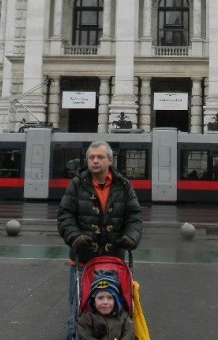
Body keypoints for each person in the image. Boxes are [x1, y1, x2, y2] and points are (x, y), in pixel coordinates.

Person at [57, 141, 142, 340]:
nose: (95, 161)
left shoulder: (123, 185)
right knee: (78, 312)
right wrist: (75, 237)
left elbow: (134, 216)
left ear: (110, 161)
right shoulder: (77, 184)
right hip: (83, 261)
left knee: (118, 309)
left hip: (114, 261)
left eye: (100, 157)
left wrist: (131, 237)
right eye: (91, 157)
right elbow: (64, 216)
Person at [76, 275, 135, 340]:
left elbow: (129, 334)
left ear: (116, 301)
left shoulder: (124, 318)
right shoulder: (87, 319)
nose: (105, 302)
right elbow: (85, 336)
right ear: (93, 301)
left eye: (110, 298)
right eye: (100, 298)